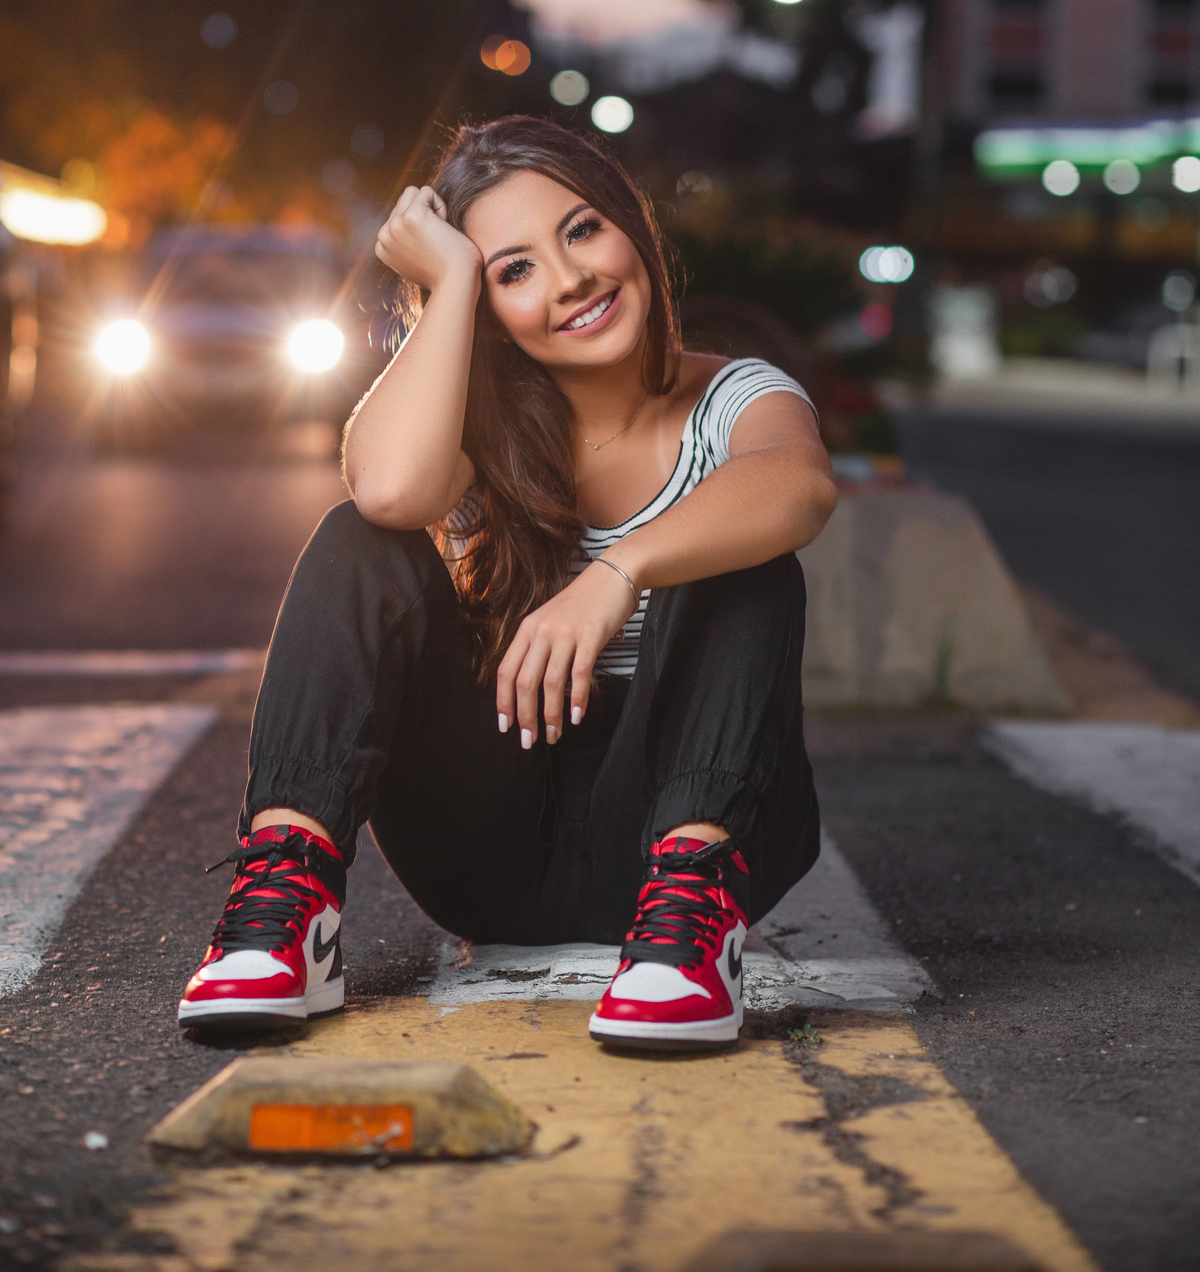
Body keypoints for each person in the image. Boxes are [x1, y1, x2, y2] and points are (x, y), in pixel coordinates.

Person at [178, 116, 837, 1048]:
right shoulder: (477, 433)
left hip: (678, 832)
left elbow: (800, 488)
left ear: (631, 227)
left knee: (739, 553)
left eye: (580, 231)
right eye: (512, 270)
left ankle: (691, 930)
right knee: (360, 541)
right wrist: (447, 287)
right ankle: (286, 916)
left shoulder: (735, 396)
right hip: (487, 854)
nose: (570, 281)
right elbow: (392, 490)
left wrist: (621, 569)